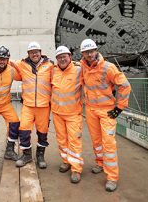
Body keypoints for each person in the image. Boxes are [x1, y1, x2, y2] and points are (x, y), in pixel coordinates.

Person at [80, 39, 131, 192]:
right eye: (86, 52)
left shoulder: (109, 67)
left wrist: (120, 107)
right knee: (96, 141)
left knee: (108, 143)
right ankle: (100, 163)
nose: (90, 54)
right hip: (90, 110)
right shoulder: (82, 66)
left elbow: (124, 85)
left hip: (107, 111)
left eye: (92, 51)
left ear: (96, 50)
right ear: (82, 54)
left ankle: (112, 177)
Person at [13, 41, 53, 169]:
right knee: (24, 129)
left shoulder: (50, 65)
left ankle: (40, 156)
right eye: (31, 52)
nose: (34, 54)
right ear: (28, 54)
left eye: (36, 52)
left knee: (42, 132)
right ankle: (27, 155)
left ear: (41, 52)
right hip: (28, 105)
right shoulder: (22, 64)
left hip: (44, 106)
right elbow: (7, 61)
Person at [51, 46, 83, 184]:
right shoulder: (53, 71)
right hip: (57, 113)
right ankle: (66, 161)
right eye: (59, 57)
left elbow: (94, 70)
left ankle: (76, 169)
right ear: (56, 59)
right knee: (62, 140)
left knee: (74, 141)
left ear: (70, 57)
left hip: (73, 113)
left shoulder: (79, 69)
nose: (62, 59)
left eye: (65, 56)